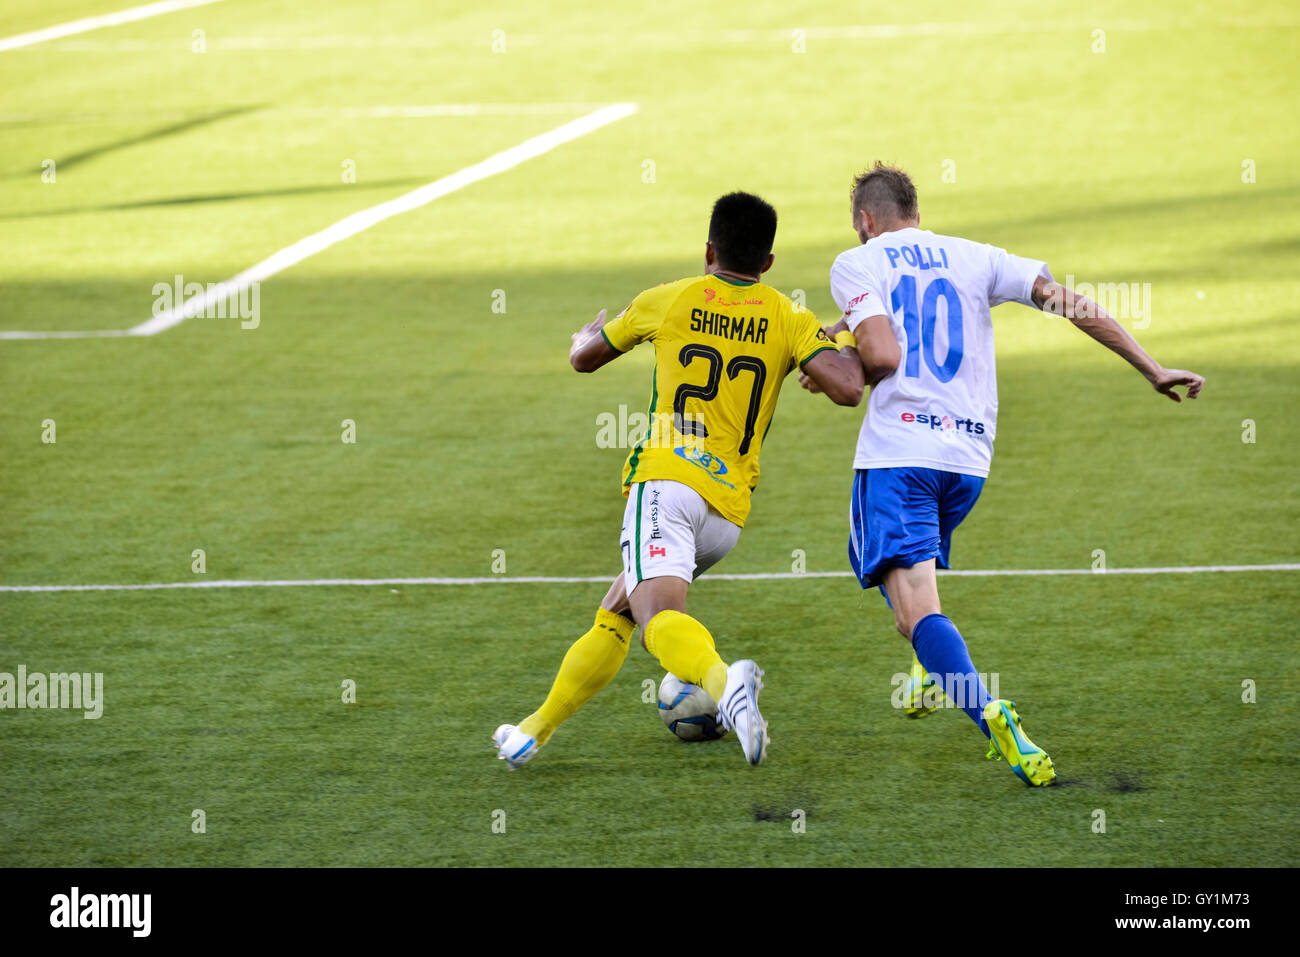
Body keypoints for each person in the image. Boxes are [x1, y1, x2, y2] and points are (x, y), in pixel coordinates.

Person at [804, 163, 1205, 786]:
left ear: (864, 220)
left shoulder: (857, 262)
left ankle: (988, 709)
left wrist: (834, 358)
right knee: (912, 580)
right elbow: (1071, 304)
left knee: (913, 608)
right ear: (916, 209)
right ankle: (930, 664)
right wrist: (1150, 367)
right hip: (967, 462)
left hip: (898, 456)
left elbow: (880, 352)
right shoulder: (977, 257)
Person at [494, 191, 866, 769]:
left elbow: (585, 358)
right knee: (620, 607)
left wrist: (579, 338)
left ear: (709, 249)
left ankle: (725, 684)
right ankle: (532, 731)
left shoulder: (667, 300)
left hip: (667, 485)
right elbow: (848, 387)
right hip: (727, 512)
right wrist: (836, 335)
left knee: (656, 620)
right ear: (767, 262)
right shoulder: (788, 318)